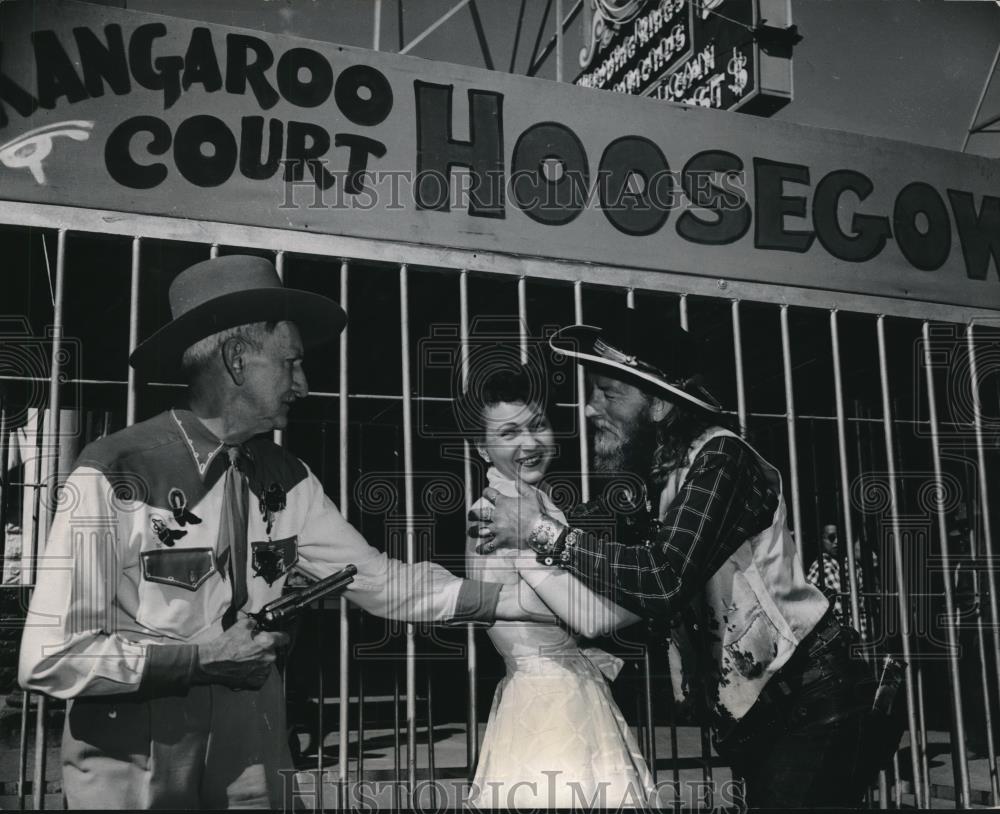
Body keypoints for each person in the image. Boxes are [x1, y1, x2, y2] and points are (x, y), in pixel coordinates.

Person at [17, 255, 541, 810]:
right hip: (134, 751)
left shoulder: (288, 478)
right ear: (238, 360)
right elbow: (48, 656)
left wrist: (521, 601)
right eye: (291, 363)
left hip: (253, 740)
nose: (304, 384)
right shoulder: (115, 469)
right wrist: (198, 661)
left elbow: (383, 582)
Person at [471, 307, 881, 809]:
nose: (589, 408)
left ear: (660, 406)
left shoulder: (719, 459)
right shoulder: (658, 479)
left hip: (814, 698)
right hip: (762, 714)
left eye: (608, 393)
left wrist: (539, 531)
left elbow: (662, 580)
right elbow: (619, 584)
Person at [458, 363, 654, 809]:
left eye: (538, 426)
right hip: (550, 709)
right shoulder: (497, 514)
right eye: (509, 434)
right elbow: (586, 615)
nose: (529, 444)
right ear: (482, 449)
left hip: (562, 692)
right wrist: (666, 592)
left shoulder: (536, 503)